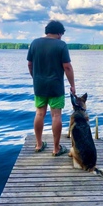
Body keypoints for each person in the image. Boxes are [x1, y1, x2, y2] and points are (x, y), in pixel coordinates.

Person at [27, 20, 76, 156]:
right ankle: (56, 149)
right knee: (56, 115)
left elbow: (30, 65)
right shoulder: (61, 45)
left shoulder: (34, 43)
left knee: (39, 113)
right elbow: (67, 67)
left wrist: (35, 78)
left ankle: (38, 145)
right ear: (60, 33)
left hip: (39, 85)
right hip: (56, 86)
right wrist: (72, 85)